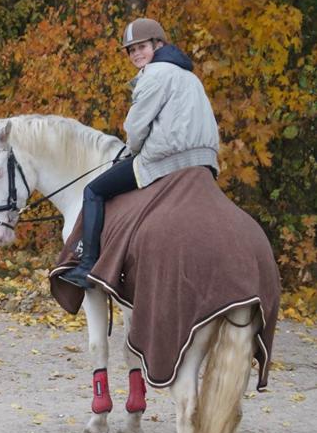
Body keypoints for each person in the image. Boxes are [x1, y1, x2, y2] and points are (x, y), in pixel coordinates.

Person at [58, 17, 220, 288]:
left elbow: (135, 128)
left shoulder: (154, 74)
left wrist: (131, 151)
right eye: (131, 50)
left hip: (166, 160)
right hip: (206, 161)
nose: (136, 54)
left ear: (159, 44)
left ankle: (87, 266)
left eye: (141, 46)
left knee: (94, 191)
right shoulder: (189, 76)